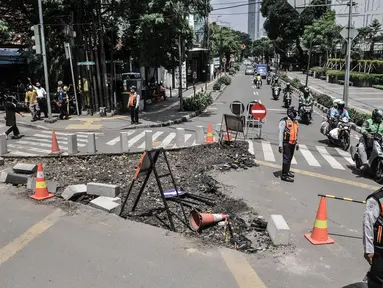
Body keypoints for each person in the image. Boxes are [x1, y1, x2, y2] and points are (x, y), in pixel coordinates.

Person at [363, 187, 383, 287]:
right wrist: (369, 250)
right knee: (378, 281)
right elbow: (368, 224)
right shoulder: (377, 199)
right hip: (380, 250)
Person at [278, 106, 299, 182]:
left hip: (293, 143)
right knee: (286, 159)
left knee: (290, 159)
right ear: (290, 113)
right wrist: (280, 145)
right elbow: (280, 133)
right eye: (293, 112)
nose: (295, 114)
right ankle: (284, 175)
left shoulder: (295, 122)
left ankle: (287, 171)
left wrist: (297, 143)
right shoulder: (284, 121)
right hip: (286, 143)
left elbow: (296, 133)